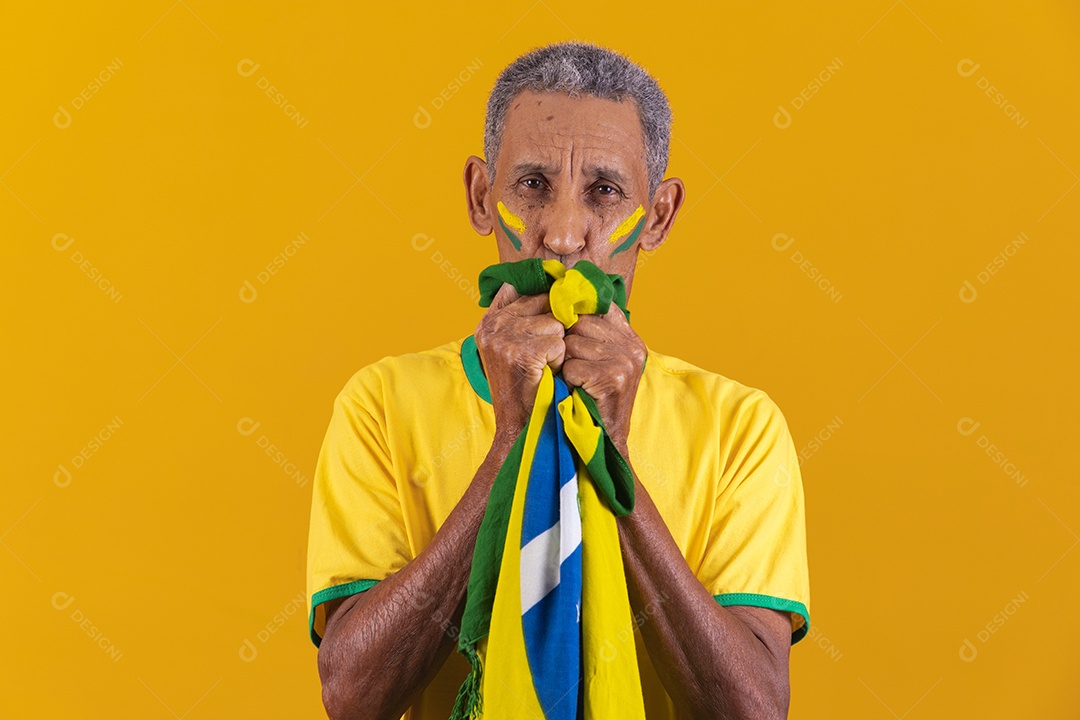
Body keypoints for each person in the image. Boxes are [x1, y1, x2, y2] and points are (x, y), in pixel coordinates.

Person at [306, 41, 810, 720]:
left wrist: (614, 460)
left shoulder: (740, 425)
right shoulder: (381, 404)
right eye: (533, 185)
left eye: (604, 192)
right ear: (482, 197)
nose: (565, 235)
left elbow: (752, 707)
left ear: (657, 216)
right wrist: (508, 448)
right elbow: (353, 695)